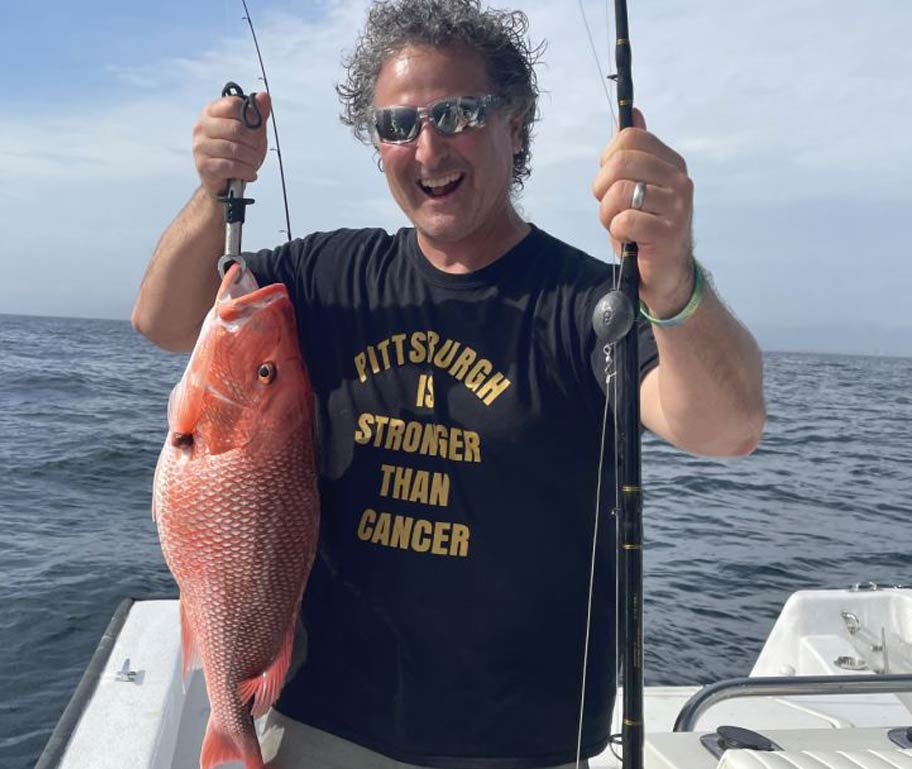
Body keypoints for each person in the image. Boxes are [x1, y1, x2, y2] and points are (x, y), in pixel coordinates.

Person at [132, 1, 766, 767]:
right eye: (397, 125)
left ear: (517, 124)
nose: (426, 146)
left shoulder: (584, 304)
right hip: (324, 724)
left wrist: (672, 279)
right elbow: (166, 322)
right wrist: (213, 191)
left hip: (517, 747)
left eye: (459, 113)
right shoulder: (329, 276)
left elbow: (727, 427)